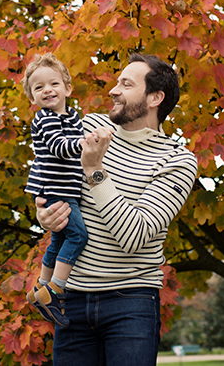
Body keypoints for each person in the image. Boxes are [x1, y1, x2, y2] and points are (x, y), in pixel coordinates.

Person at [35, 53, 199, 366]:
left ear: (155, 97)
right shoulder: (89, 127)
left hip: (131, 302)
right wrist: (43, 212)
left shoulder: (177, 161)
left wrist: (95, 169)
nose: (113, 90)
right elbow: (50, 178)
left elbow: (133, 236)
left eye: (126, 84)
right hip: (73, 299)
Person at [22, 53, 88, 328]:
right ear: (32, 98)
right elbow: (60, 147)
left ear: (67, 88)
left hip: (67, 189)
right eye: (39, 87)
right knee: (78, 235)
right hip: (55, 190)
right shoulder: (46, 119)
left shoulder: (73, 117)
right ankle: (55, 289)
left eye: (53, 84)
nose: (47, 90)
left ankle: (41, 287)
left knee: (58, 241)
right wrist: (87, 144)